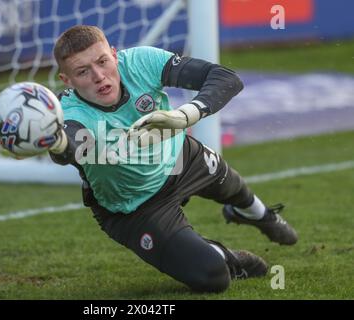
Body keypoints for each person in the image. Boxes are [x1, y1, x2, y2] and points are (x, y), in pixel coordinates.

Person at [48, 25, 297, 293]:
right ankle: (223, 255)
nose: (99, 76)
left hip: (179, 157)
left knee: (233, 188)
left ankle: (257, 214)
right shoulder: (69, 114)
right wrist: (55, 140)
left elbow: (226, 78)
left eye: (102, 61)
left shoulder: (141, 62)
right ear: (67, 80)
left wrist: (184, 115)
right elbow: (67, 150)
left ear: (115, 55)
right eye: (83, 71)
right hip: (134, 206)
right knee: (212, 277)